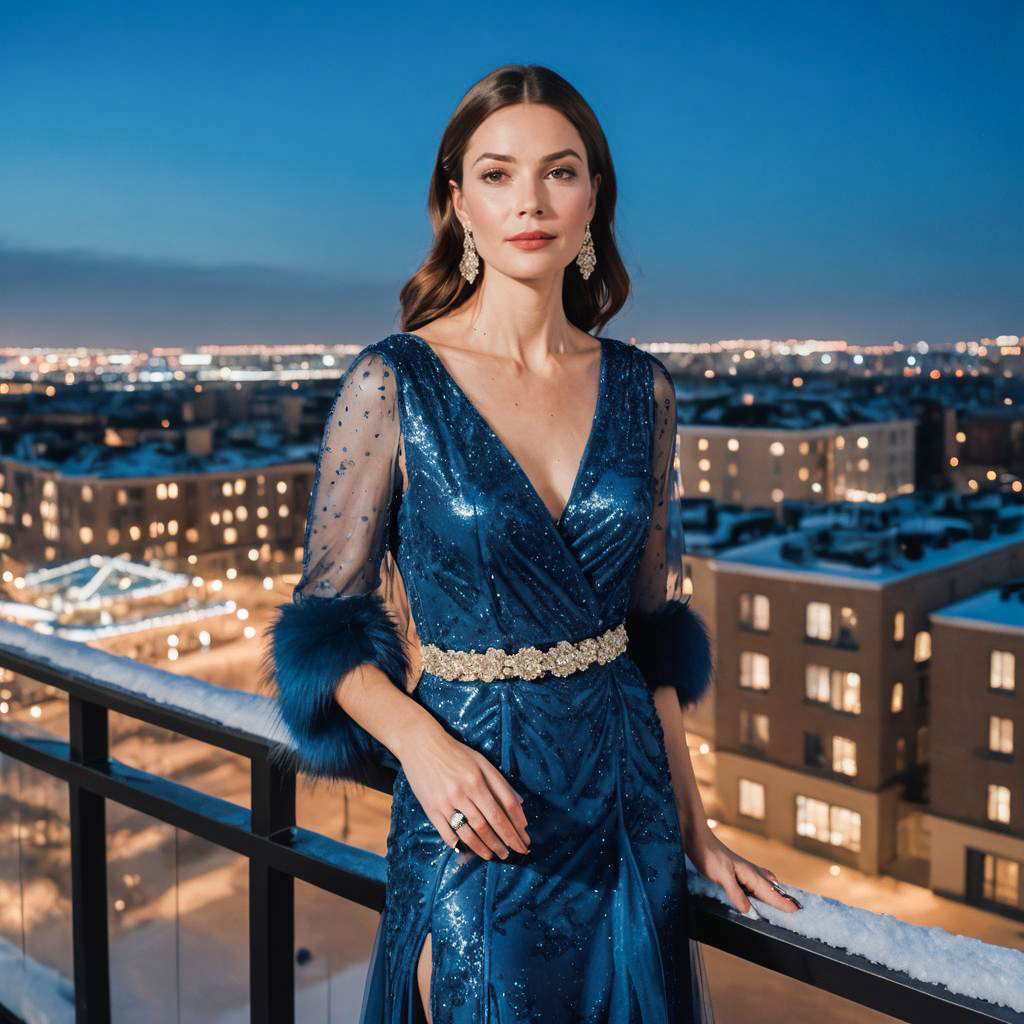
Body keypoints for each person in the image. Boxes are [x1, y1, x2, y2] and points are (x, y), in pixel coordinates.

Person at [262, 63, 801, 1024]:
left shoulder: (646, 390)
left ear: (594, 198)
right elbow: (327, 631)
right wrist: (420, 746)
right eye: (498, 174)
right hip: (476, 800)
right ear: (457, 201)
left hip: (628, 804)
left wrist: (696, 829)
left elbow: (650, 634)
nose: (530, 201)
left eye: (560, 172)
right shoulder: (392, 383)